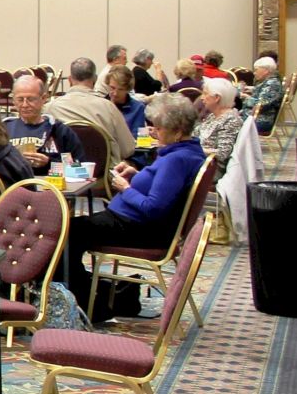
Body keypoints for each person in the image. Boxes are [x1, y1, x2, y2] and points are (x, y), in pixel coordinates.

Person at [64, 92, 206, 323]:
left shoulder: (176, 160)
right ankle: (87, 295)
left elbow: (153, 207)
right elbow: (165, 189)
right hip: (136, 222)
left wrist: (125, 188)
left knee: (64, 234)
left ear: (178, 131)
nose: (153, 132)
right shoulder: (187, 152)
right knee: (68, 231)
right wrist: (139, 175)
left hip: (140, 228)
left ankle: (90, 304)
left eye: (158, 128)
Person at [45, 56, 135, 160]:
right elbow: (128, 150)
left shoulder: (50, 108)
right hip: (102, 174)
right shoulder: (109, 108)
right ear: (95, 79)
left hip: (62, 173)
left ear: (69, 79)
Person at [3, 75, 83, 173]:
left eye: (31, 99)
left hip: (52, 184)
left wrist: (48, 163)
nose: (25, 105)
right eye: (20, 100)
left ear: (44, 98)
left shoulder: (59, 131)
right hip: (14, 184)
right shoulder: (4, 128)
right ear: (13, 101)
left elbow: (79, 166)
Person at [194, 77, 246, 168]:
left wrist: (192, 149)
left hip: (211, 168)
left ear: (217, 98)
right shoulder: (213, 115)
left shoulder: (231, 120)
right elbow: (196, 133)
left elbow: (223, 153)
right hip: (199, 159)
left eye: (205, 94)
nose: (202, 98)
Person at [103, 64, 146, 136]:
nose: (115, 93)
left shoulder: (138, 108)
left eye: (121, 89)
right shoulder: (100, 105)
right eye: (112, 88)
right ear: (107, 84)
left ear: (128, 89)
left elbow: (138, 137)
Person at [248, 56, 285, 134]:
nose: (254, 73)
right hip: (260, 117)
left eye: (256, 70)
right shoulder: (270, 81)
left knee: (229, 123)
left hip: (262, 120)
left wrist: (246, 98)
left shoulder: (272, 84)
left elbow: (261, 104)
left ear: (266, 71)